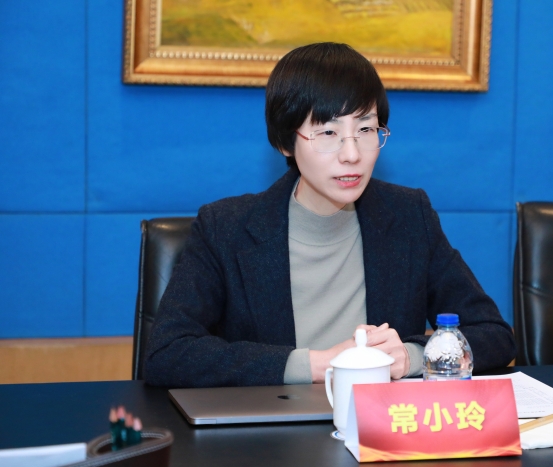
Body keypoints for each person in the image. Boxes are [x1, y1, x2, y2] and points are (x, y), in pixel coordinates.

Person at [144, 42, 515, 388]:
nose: (351, 154)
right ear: (285, 142)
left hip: (379, 426)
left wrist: (412, 356)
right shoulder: (225, 227)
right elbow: (167, 353)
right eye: (327, 133)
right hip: (275, 428)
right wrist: (316, 365)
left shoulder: (408, 216)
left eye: (365, 129)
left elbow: (493, 335)